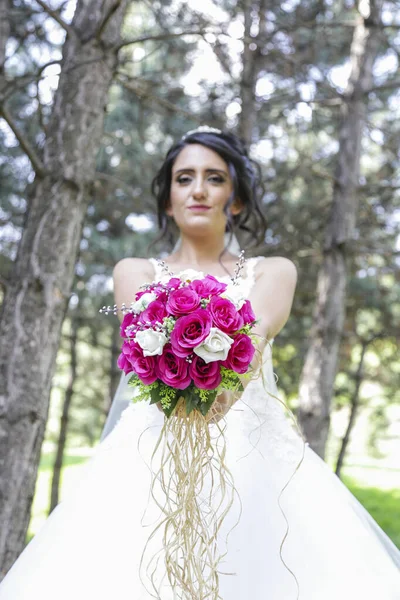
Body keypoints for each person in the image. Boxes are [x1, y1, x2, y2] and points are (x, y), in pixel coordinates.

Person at [0, 127, 399, 600]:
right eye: (184, 178)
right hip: (149, 456)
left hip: (255, 458)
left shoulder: (273, 271)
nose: (198, 189)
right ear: (168, 199)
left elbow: (256, 332)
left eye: (214, 178)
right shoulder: (136, 272)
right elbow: (142, 345)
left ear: (235, 200)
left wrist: (222, 392)